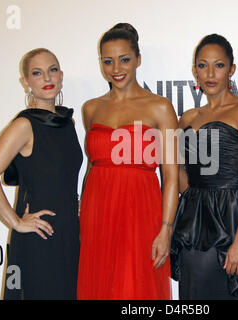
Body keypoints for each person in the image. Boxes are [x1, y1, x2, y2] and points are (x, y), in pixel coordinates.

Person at [77, 23, 178, 300]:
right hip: (97, 211)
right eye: (107, 61)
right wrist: (82, 209)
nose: (116, 68)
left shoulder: (159, 107)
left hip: (141, 212)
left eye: (124, 59)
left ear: (138, 59)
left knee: (136, 289)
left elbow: (170, 176)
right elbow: (91, 167)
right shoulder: (91, 108)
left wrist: (166, 230)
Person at [170, 34, 238, 300]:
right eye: (203, 65)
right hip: (195, 221)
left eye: (218, 65)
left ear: (231, 69)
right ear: (194, 71)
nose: (210, 73)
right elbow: (181, 176)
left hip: (233, 217)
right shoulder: (187, 119)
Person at [0, 48, 82, 299]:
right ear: (26, 82)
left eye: (52, 70)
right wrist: (16, 222)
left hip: (69, 231)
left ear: (61, 75)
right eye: (37, 73)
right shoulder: (24, 126)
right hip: (40, 235)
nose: (47, 79)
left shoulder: (68, 123)